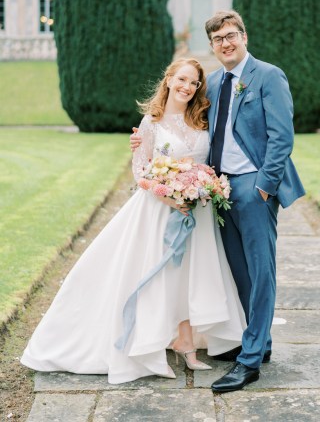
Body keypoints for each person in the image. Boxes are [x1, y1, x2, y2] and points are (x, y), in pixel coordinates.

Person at [21, 57, 246, 385]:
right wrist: (168, 194)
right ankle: (150, 346)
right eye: (182, 79)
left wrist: (203, 187)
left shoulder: (201, 119)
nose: (187, 87)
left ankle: (186, 343)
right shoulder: (150, 123)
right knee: (160, 275)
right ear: (168, 80)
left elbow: (208, 161)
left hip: (196, 211)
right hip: (158, 211)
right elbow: (140, 171)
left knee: (190, 275)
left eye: (194, 83)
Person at [130, 10, 305, 393]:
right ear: (212, 46)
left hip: (254, 186)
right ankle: (261, 344)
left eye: (231, 36)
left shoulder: (268, 76)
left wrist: (264, 186)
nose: (225, 43)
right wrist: (147, 141)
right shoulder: (216, 83)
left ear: (244, 36)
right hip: (220, 189)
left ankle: (250, 359)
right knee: (237, 271)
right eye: (217, 39)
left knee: (261, 272)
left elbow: (282, 137)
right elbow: (188, 127)